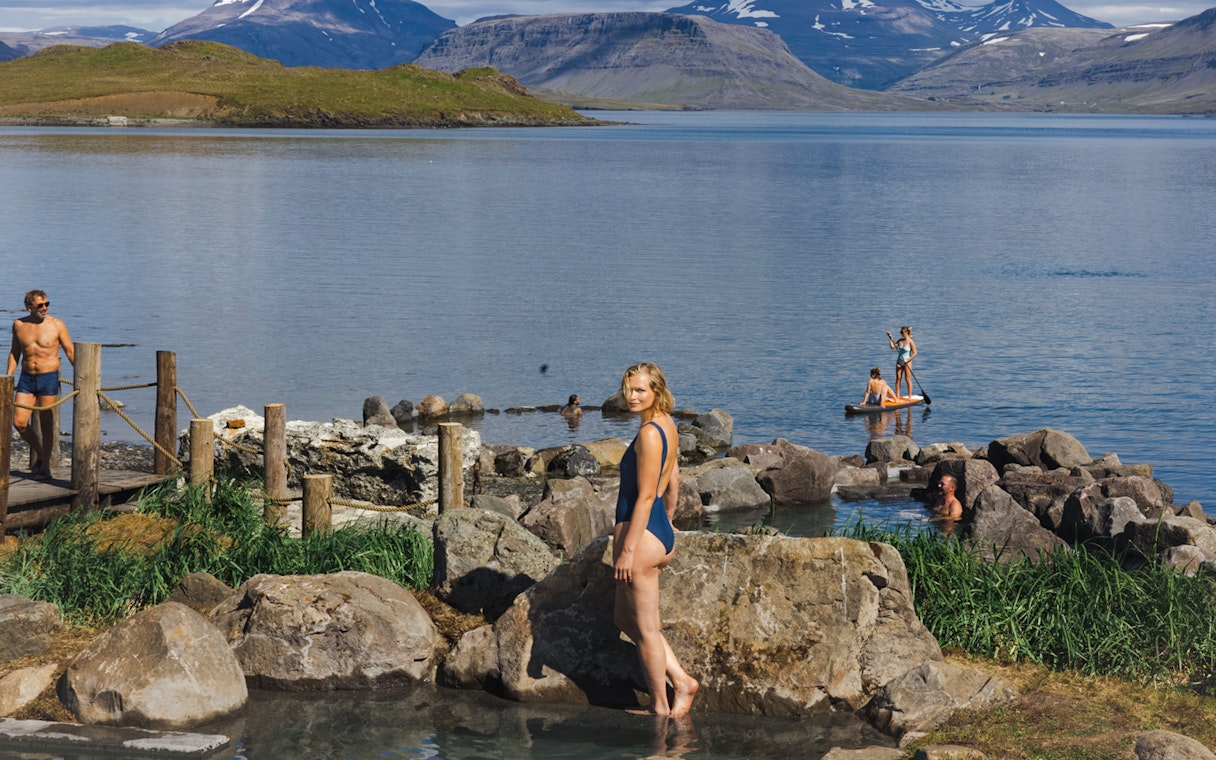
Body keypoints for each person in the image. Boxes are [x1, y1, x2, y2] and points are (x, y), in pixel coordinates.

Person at [613, 362, 698, 717]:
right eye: (628, 390)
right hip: (657, 531)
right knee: (624, 618)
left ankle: (660, 706)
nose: (631, 397)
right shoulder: (665, 424)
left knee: (647, 630)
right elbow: (673, 478)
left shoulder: (649, 433)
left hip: (643, 537)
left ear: (657, 392)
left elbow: (647, 496)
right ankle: (680, 678)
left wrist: (628, 550)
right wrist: (669, 522)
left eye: (640, 390)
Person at [7, 289, 74, 480]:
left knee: (46, 423)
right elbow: (15, 352)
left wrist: (83, 376)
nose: (45, 308)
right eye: (40, 305)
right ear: (29, 307)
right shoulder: (19, 325)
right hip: (27, 378)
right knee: (19, 422)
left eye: (47, 304)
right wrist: (8, 377)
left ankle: (45, 467)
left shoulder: (57, 325)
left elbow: (70, 351)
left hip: (48, 378)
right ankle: (41, 453)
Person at [886, 326, 917, 400]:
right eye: (901, 333)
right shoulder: (900, 340)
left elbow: (915, 353)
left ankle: (909, 397)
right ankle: (897, 396)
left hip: (907, 362)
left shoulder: (911, 342)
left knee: (907, 379)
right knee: (898, 378)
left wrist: (908, 359)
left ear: (907, 332)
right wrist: (890, 338)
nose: (902, 334)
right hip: (899, 361)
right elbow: (892, 346)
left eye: (903, 333)